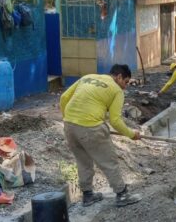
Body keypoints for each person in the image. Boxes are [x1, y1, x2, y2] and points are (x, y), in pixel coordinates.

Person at [60, 64, 142, 208]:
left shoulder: (87, 77)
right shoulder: (116, 90)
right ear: (119, 77)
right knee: (109, 162)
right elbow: (115, 120)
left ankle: (88, 195)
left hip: (69, 125)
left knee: (83, 161)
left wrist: (67, 118)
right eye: (126, 82)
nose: (125, 86)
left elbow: (64, 97)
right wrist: (131, 134)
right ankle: (122, 195)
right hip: (91, 128)